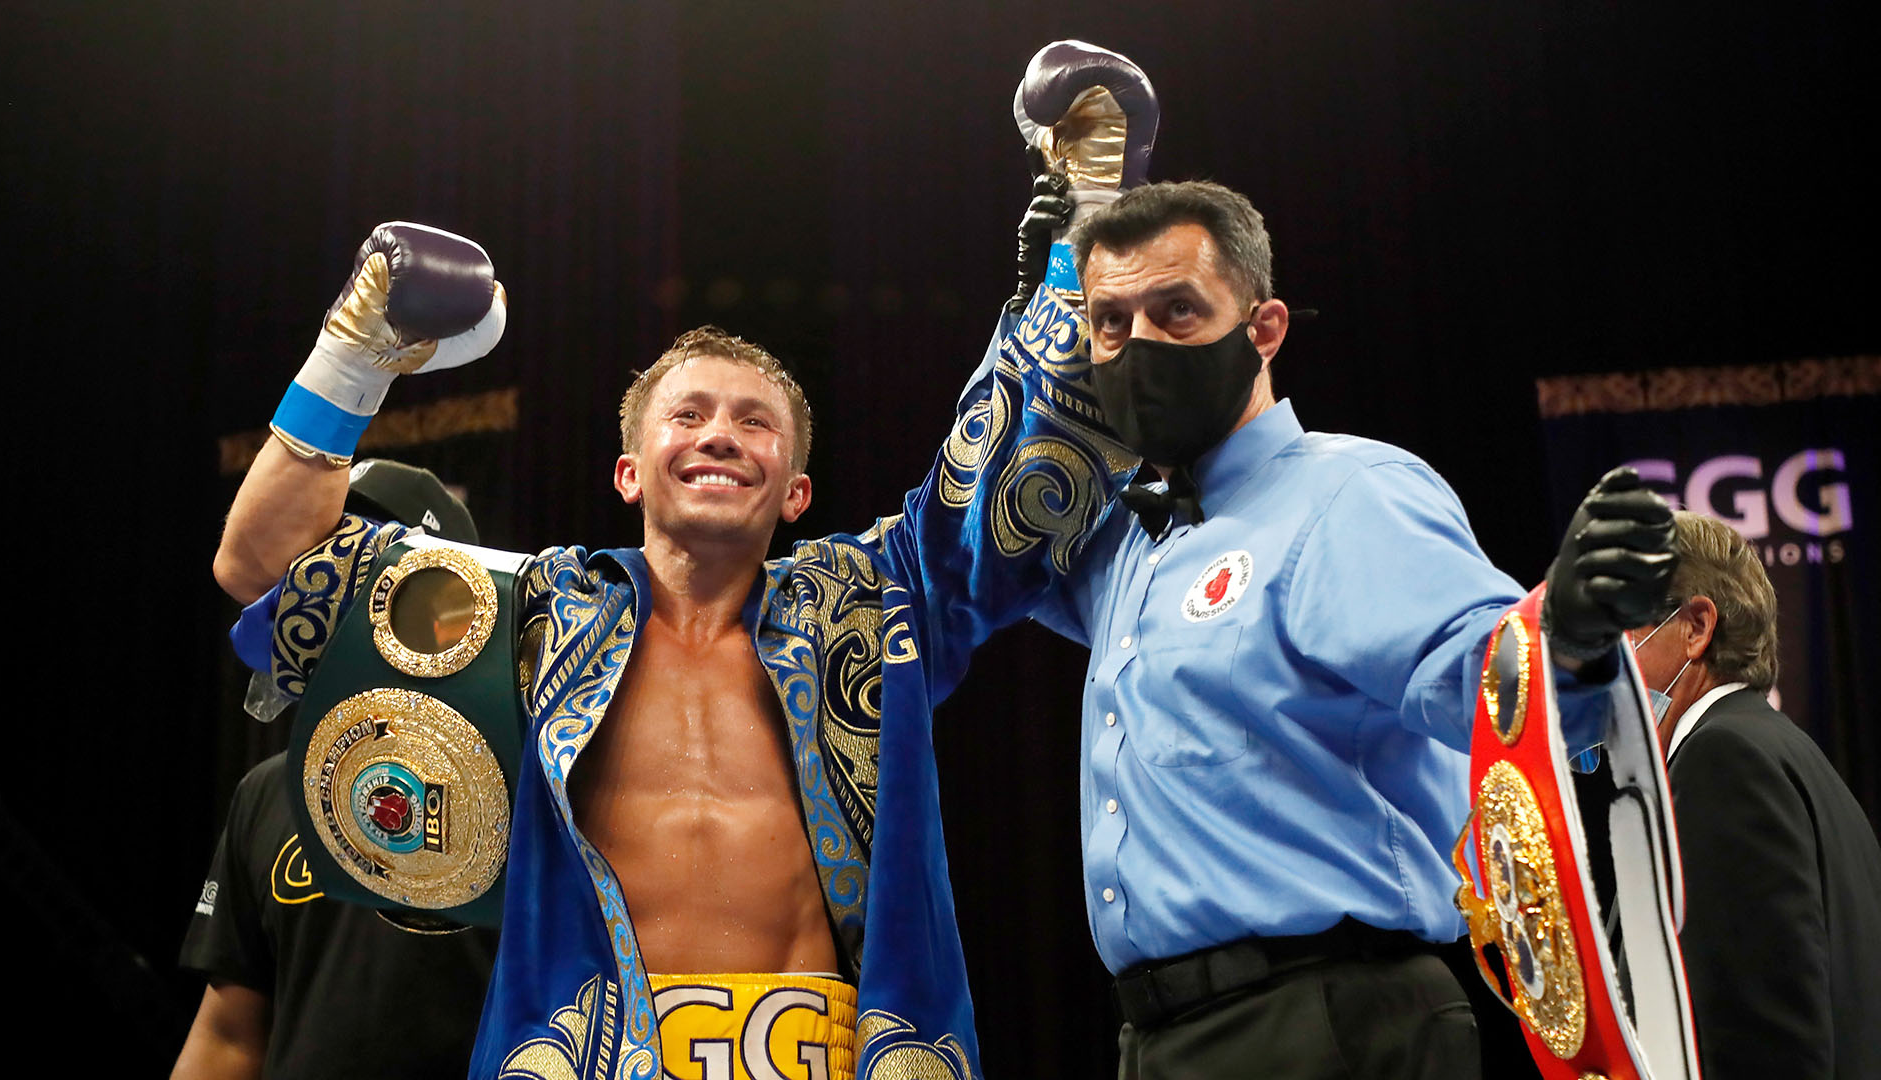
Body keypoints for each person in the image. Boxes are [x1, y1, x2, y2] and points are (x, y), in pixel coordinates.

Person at [210, 199, 1132, 1076]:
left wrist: (1079, 229)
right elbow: (263, 566)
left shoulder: (868, 606)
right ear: (628, 472)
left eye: (755, 422)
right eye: (687, 416)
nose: (721, 437)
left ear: (796, 492)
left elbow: (1008, 492)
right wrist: (354, 354)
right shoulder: (530, 616)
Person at [1028, 179, 1677, 1079]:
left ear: (1264, 329)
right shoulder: (1131, 539)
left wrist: (1564, 637)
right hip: (1164, 1038)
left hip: (1331, 1019)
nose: (1138, 345)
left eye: (1176, 310)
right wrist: (1028, 331)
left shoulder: (1347, 493)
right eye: (1110, 321)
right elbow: (984, 545)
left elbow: (1476, 672)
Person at [173, 459, 497, 1080]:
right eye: (323, 564)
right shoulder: (269, 790)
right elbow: (229, 1036)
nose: (334, 588)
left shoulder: (538, 777)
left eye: (365, 564)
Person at [1626, 510, 1881, 1080]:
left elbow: (1762, 1044)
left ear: (1696, 626)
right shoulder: (1789, 754)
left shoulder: (1725, 763)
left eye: (1618, 626)